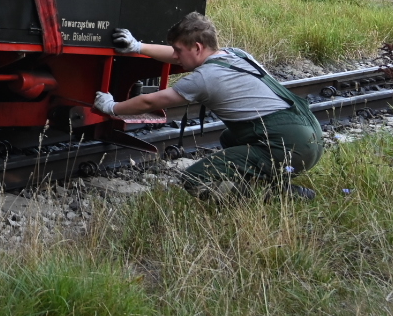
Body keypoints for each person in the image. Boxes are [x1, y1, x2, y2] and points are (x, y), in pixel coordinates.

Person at [92, 12, 322, 200]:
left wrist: (112, 107)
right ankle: (282, 190)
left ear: (198, 48)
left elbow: (150, 101)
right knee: (230, 138)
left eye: (179, 51)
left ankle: (247, 202)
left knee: (194, 179)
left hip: (290, 148)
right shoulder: (236, 54)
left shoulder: (204, 78)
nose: (176, 56)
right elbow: (174, 57)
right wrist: (138, 47)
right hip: (309, 138)